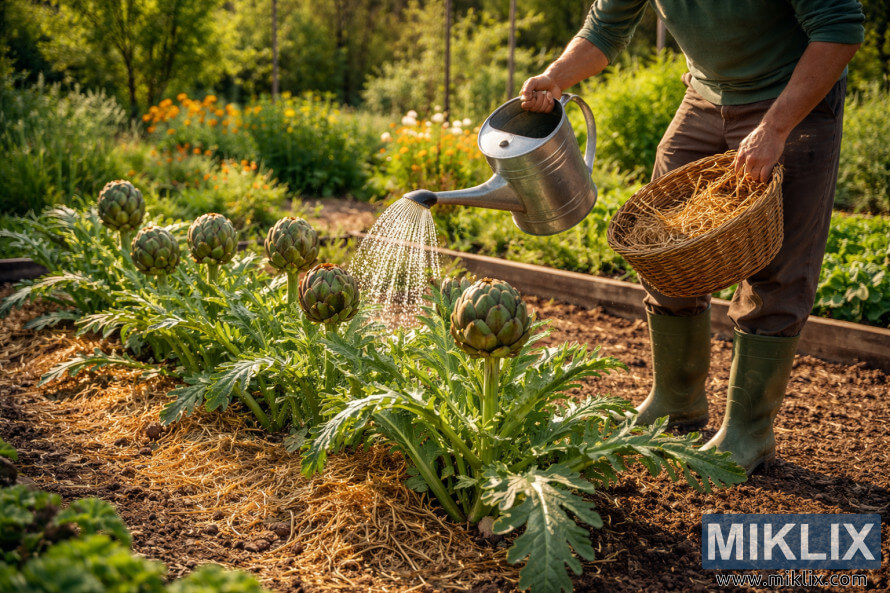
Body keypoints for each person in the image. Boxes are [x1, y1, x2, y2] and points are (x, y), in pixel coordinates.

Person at [521, 1, 864, 475]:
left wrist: (775, 127)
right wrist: (556, 76)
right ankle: (677, 400)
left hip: (791, 103)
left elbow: (839, 31)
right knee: (662, 246)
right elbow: (605, 28)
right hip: (704, 100)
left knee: (778, 269)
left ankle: (750, 430)